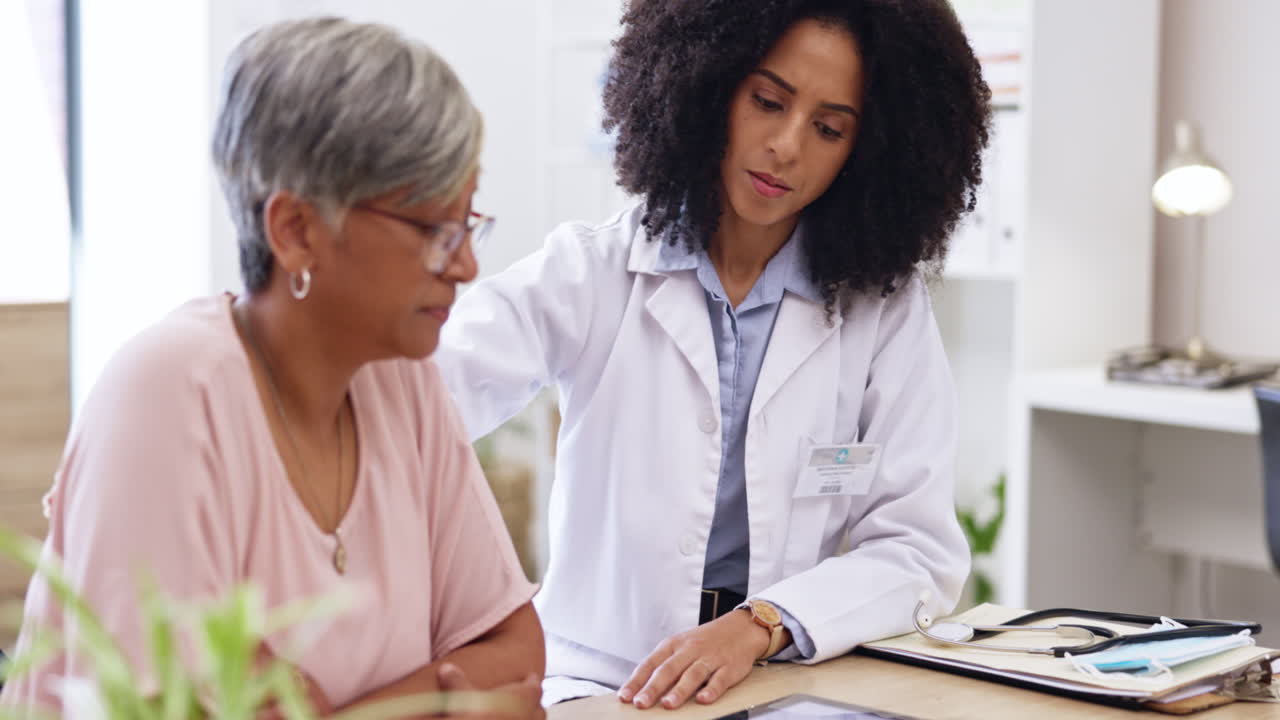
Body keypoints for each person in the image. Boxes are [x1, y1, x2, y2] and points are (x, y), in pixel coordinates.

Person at [433, 0, 990, 710]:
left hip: (783, 676)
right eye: (767, 101)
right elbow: (422, 399)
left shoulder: (882, 309)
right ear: (708, 84)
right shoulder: (593, 271)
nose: (786, 146)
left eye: (828, 128)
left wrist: (759, 626)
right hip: (602, 677)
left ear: (867, 149)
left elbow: (917, 551)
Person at [1, 17, 545, 718]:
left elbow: (514, 649)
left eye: (468, 226)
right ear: (294, 231)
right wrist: (441, 701)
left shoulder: (400, 377)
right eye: (435, 231)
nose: (465, 265)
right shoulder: (165, 393)